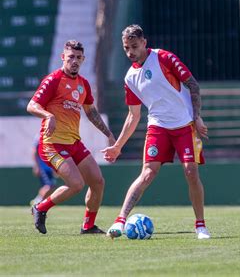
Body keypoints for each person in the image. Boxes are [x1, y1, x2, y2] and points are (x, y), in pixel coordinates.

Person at [102, 24, 211, 239]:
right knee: (148, 173)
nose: (130, 52)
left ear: (144, 43)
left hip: (184, 125)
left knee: (190, 171)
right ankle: (120, 221)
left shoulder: (164, 58)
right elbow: (133, 116)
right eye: (126, 48)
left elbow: (193, 84)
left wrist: (197, 117)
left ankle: (200, 225)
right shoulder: (129, 78)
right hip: (158, 127)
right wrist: (117, 147)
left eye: (134, 46)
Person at [27, 40, 116, 234]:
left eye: (78, 58)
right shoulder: (53, 80)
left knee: (98, 182)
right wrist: (48, 115)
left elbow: (91, 113)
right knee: (76, 184)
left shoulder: (83, 84)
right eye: (71, 57)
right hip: (52, 144)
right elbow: (32, 105)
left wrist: (109, 134)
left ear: (83, 59)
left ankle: (88, 226)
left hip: (74, 142)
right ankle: (40, 208)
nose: (74, 61)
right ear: (63, 57)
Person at [30, 136, 57, 206]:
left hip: (50, 167)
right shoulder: (39, 136)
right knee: (48, 186)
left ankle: (40, 203)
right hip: (43, 167)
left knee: (52, 186)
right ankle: (37, 202)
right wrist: (36, 166)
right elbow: (34, 151)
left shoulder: (54, 136)